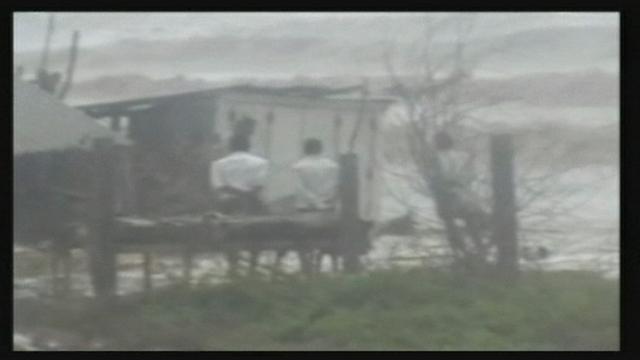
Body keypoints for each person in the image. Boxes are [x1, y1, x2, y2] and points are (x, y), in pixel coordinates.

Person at [210, 134, 269, 276]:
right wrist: (246, 195)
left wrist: (237, 193)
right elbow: (259, 187)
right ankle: (253, 267)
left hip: (228, 205)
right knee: (257, 235)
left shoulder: (218, 164)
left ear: (230, 147)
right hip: (253, 204)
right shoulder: (261, 162)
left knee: (228, 236)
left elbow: (219, 187)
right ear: (248, 146)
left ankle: (233, 266)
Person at [433, 131, 489, 261]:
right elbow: (472, 175)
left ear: (437, 144)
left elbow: (439, 179)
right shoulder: (463, 156)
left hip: (448, 196)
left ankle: (460, 254)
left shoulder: (437, 158)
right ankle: (481, 251)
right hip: (467, 195)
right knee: (471, 222)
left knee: (450, 225)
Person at [291, 138, 339, 212]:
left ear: (305, 150)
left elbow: (299, 188)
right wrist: (320, 200)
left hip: (305, 206)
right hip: (326, 205)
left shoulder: (298, 166)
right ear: (321, 149)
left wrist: (314, 200)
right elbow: (333, 184)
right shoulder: (332, 165)